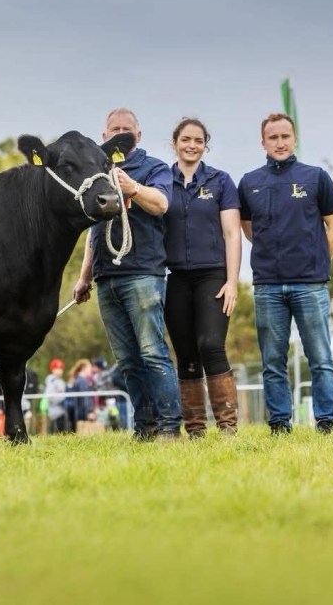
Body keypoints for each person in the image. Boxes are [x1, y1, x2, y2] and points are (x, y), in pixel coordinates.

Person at [73, 108, 182, 440]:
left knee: (152, 352)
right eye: (114, 129)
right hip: (106, 277)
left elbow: (163, 203)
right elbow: (94, 232)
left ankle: (168, 427)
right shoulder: (98, 171)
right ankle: (144, 426)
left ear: (138, 135)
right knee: (127, 360)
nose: (121, 133)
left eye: (127, 129)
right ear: (104, 136)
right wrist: (84, 277)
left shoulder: (154, 168)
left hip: (143, 274)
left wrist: (133, 187)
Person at [238, 113, 333, 435]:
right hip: (268, 286)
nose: (280, 142)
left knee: (321, 358)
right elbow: (248, 230)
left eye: (285, 136)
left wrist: (316, 260)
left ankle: (326, 422)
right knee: (272, 362)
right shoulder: (249, 182)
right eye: (273, 138)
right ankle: (279, 424)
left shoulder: (316, 177)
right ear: (263, 142)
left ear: (294, 138)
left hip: (310, 284)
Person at [163, 118, 242, 438]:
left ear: (205, 145)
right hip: (177, 278)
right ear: (175, 143)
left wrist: (233, 281)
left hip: (213, 275)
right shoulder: (162, 180)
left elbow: (232, 234)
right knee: (185, 353)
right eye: (186, 139)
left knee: (210, 344)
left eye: (198, 140)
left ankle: (227, 428)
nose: (191, 145)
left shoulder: (221, 181)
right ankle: (195, 429)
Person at [65, 358, 94, 431]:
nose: (91, 370)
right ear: (84, 368)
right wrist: (89, 412)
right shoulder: (82, 381)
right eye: (89, 368)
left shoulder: (77, 379)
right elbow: (84, 398)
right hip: (82, 413)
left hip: (78, 412)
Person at [43, 358, 70, 434]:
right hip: (55, 413)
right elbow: (50, 396)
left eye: (61, 368)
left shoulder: (60, 381)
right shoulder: (51, 381)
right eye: (57, 368)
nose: (59, 370)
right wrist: (63, 399)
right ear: (52, 369)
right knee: (56, 433)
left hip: (62, 412)